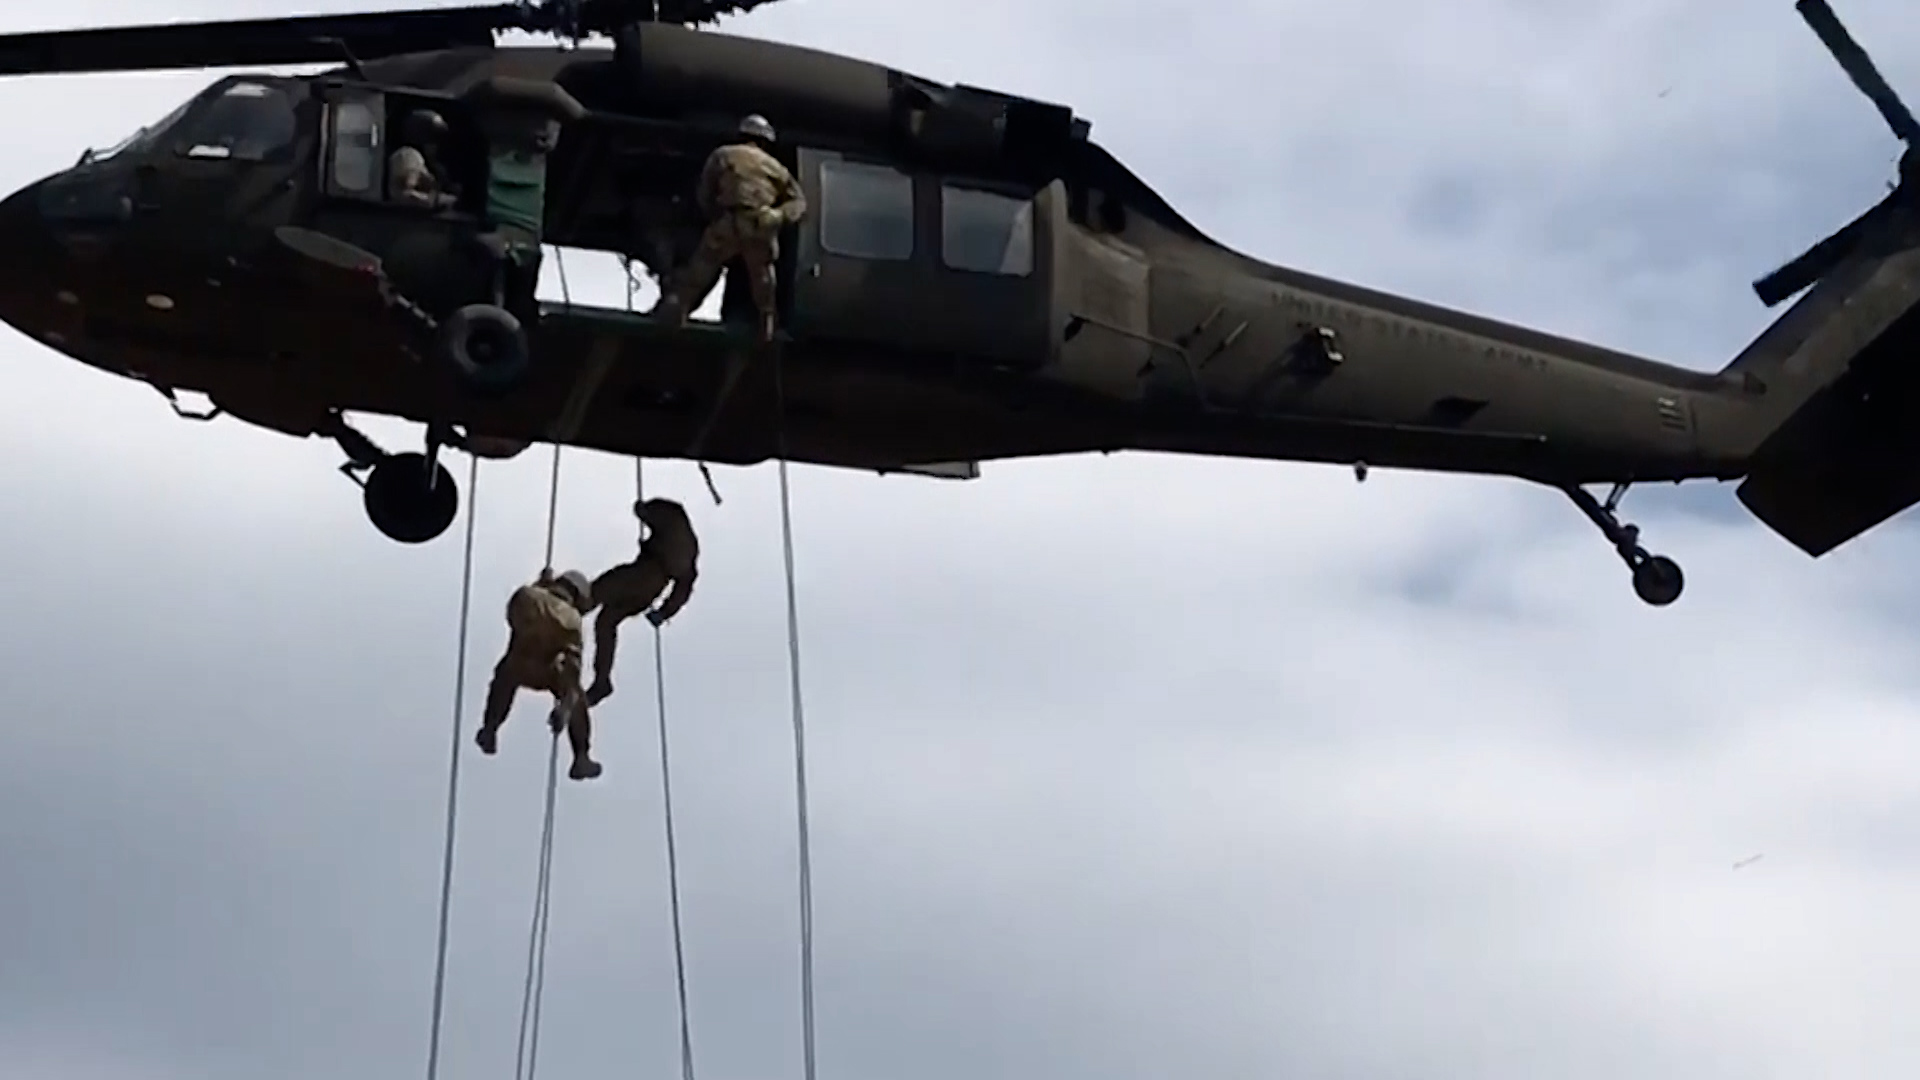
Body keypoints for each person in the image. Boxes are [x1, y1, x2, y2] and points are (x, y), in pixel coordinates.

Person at [653, 114, 808, 343]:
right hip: (759, 225)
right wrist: (777, 216)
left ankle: (676, 310)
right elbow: (799, 203)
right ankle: (767, 323)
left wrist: (715, 216)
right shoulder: (777, 168)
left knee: (700, 270)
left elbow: (705, 192)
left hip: (728, 222)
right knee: (763, 279)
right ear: (766, 141)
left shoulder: (723, 155)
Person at [476, 568, 604, 781]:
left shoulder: (530, 594)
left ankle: (490, 729)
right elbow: (573, 667)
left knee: (504, 675)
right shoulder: (573, 618)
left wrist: (540, 584)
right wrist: (567, 701)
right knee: (573, 691)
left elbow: (517, 614)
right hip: (547, 668)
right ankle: (581, 756)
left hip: (521, 658)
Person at [584, 498, 700, 707]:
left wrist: (642, 510)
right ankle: (601, 681)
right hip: (650, 592)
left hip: (644, 573)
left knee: (600, 590)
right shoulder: (689, 551)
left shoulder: (672, 519)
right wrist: (664, 613)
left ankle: (560, 613)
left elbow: (648, 512)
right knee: (607, 620)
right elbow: (684, 588)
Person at [388, 109, 456, 209]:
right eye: (434, 138)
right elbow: (404, 194)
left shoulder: (431, 163)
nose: (437, 145)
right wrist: (437, 201)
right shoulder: (408, 156)